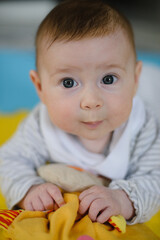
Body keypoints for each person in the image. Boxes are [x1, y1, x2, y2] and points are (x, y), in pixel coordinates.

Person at [0, 0, 160, 225]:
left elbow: (155, 177)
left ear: (134, 80)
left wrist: (123, 199)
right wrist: (29, 188)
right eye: (68, 82)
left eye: (108, 79)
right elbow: (9, 159)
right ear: (40, 88)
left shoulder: (142, 126)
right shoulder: (39, 124)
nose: (91, 101)